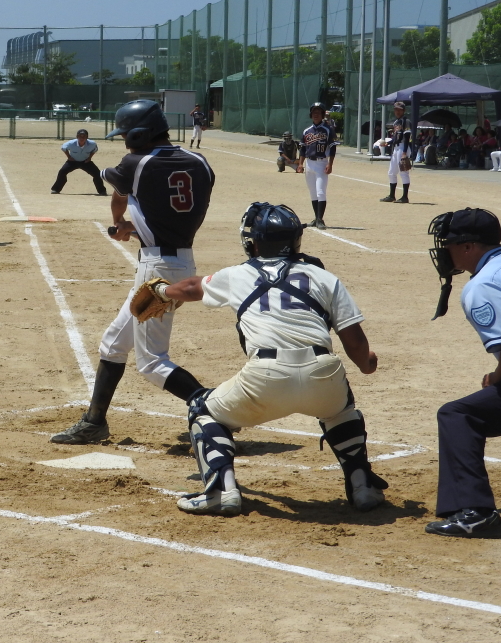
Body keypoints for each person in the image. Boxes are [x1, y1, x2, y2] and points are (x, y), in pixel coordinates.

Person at [153, 202, 387, 516]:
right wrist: (367, 364)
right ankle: (362, 486)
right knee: (342, 411)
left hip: (265, 377)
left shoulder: (237, 275)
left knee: (203, 410)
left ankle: (221, 492)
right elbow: (355, 343)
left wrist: (162, 291)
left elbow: (193, 287)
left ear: (254, 242)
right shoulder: (323, 276)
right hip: (323, 373)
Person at [50, 99, 216, 444]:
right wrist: (137, 228)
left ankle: (218, 410)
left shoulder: (135, 163)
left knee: (152, 361)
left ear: (141, 133)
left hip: (156, 272)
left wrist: (120, 223)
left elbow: (118, 190)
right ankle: (94, 421)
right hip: (179, 260)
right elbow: (171, 214)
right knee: (113, 343)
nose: (125, 140)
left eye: (126, 134)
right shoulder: (199, 162)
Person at [426, 208, 501, 537]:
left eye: (449, 244)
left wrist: (497, 378)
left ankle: (476, 512)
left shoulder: (483, 284)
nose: (444, 251)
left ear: (468, 246)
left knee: (458, 415)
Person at [296, 102, 337, 230]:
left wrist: (330, 164)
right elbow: (303, 149)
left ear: (323, 114)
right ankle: (316, 218)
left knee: (320, 192)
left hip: (322, 163)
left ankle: (320, 219)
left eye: (319, 112)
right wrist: (300, 164)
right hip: (309, 163)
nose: (316, 114)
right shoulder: (307, 131)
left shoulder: (328, 129)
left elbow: (333, 148)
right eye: (314, 112)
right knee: (313, 192)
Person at [50, 129, 107, 195]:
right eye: (80, 136)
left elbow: (95, 150)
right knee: (62, 172)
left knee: (97, 174)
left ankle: (102, 191)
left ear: (87, 137)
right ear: (77, 137)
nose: (82, 138)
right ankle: (56, 189)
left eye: (84, 136)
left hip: (85, 162)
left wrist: (89, 158)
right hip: (73, 161)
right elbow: (63, 148)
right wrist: (69, 157)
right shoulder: (71, 143)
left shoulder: (92, 144)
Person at [380, 101, 412, 203]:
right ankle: (392, 196)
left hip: (403, 148)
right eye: (396, 109)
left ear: (404, 110)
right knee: (391, 172)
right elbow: (395, 138)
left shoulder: (406, 121)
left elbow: (407, 137)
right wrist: (388, 143)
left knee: (403, 172)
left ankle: (405, 197)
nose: (397, 111)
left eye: (399, 110)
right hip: (396, 148)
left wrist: (404, 152)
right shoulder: (396, 122)